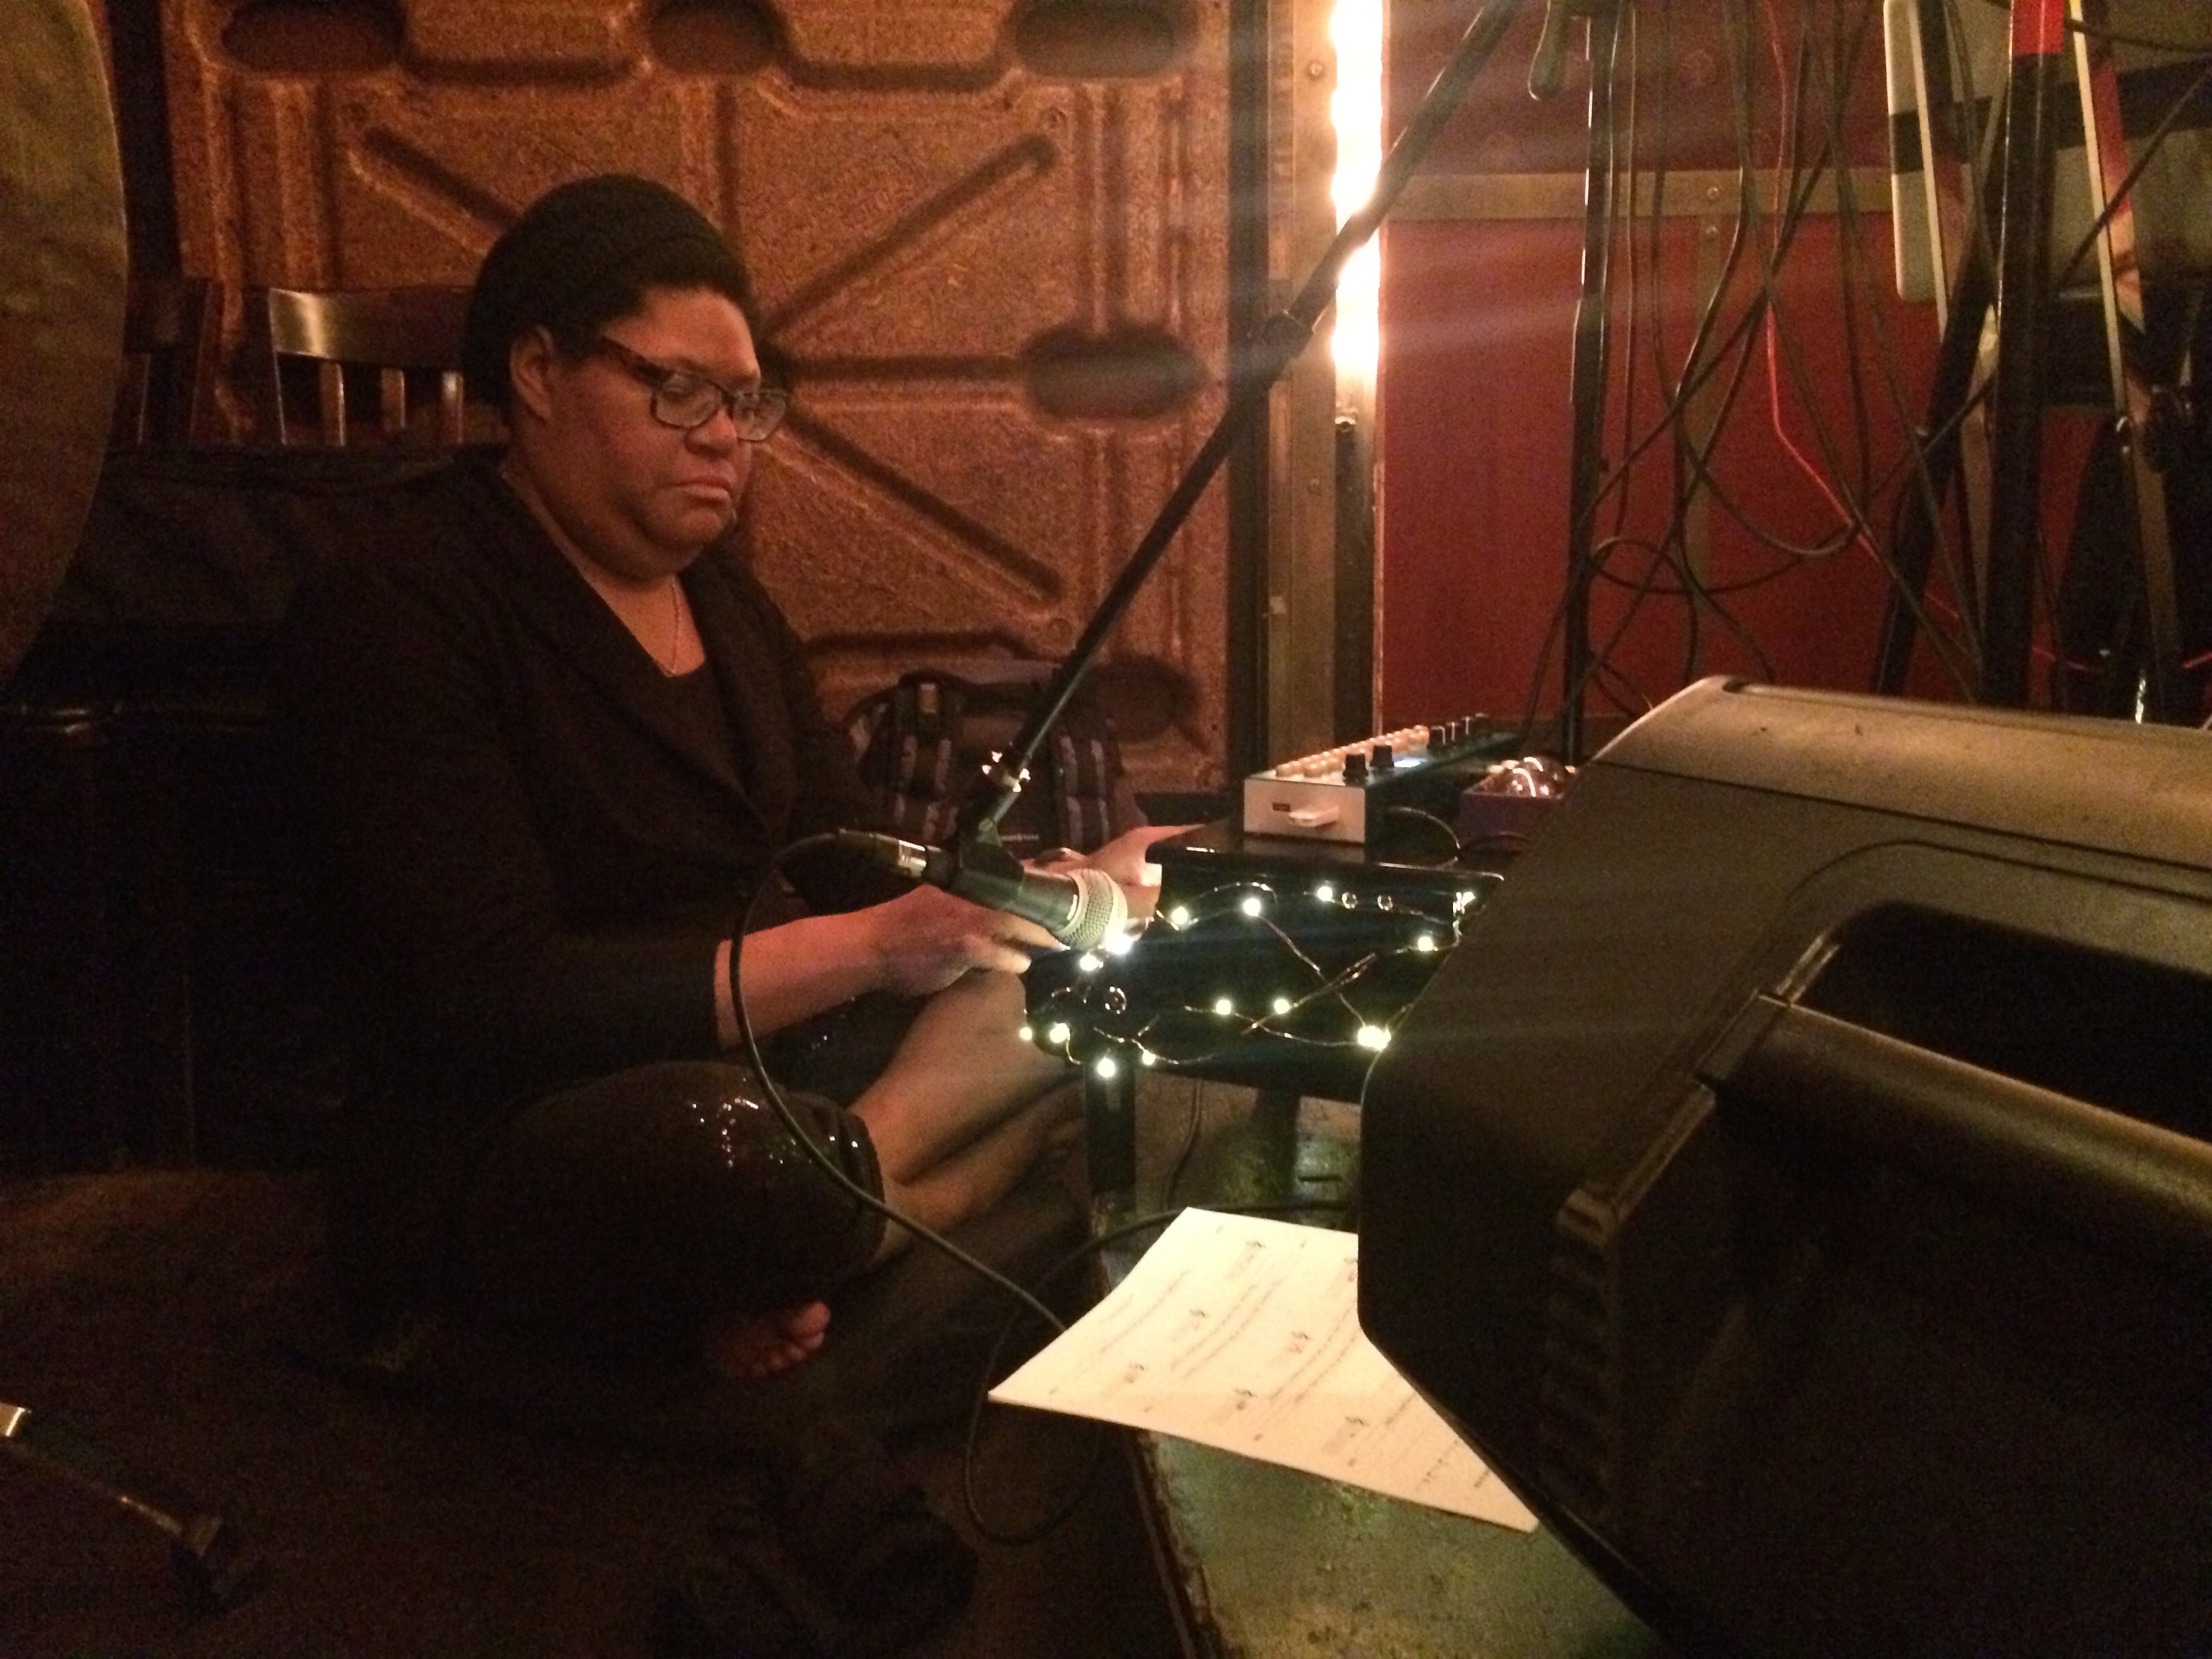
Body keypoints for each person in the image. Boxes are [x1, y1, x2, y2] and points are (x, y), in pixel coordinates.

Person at [283, 173, 1175, 1414]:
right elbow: (487, 1001)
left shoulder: (725, 602)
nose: (722, 437)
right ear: (538, 373)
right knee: (726, 1153)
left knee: (1092, 990)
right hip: (535, 1118)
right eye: (679, 390)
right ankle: (887, 1198)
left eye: (744, 404)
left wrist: (1024, 896)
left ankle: (843, 1215)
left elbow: (844, 856)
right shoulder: (400, 605)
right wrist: (871, 948)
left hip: (787, 1065)